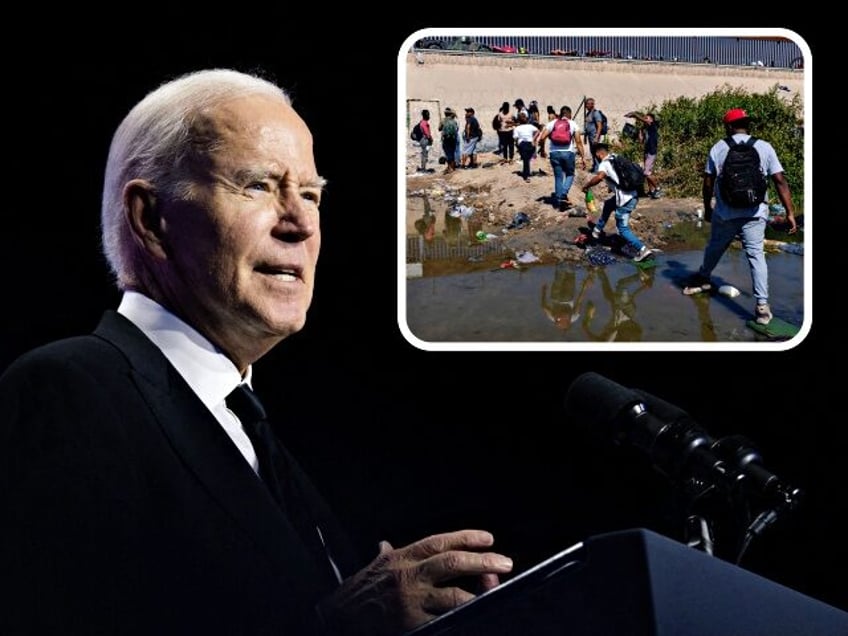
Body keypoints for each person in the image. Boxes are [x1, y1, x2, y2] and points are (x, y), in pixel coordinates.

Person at [0, 69, 513, 636]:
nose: (299, 224)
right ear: (151, 219)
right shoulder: (69, 391)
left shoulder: (254, 432)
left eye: (311, 194)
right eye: (259, 186)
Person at [682, 108, 797, 325]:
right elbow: (780, 180)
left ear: (728, 126)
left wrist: (707, 207)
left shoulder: (719, 147)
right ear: (747, 124)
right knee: (756, 256)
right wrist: (790, 212)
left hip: (726, 212)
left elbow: (708, 182)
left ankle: (704, 278)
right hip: (755, 212)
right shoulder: (764, 147)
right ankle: (762, 307)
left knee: (715, 247)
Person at [583, 143, 654, 262]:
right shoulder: (615, 157)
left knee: (622, 229)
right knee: (608, 204)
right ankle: (596, 232)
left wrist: (587, 185)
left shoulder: (604, 164)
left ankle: (643, 250)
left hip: (625, 200)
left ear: (598, 154)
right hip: (631, 194)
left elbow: (599, 177)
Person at [536, 105, 587, 211]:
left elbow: (542, 137)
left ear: (560, 113)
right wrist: (583, 157)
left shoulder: (552, 123)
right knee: (570, 174)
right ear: (569, 114)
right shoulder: (573, 124)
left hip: (554, 153)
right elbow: (578, 142)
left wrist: (542, 150)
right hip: (568, 153)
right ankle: (563, 194)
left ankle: (559, 202)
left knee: (558, 177)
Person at [626, 111, 662, 198]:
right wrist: (640, 131)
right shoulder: (646, 129)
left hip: (651, 153)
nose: (645, 120)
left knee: (646, 173)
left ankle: (658, 188)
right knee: (648, 172)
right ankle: (651, 191)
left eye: (647, 118)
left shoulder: (653, 126)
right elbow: (641, 141)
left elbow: (646, 121)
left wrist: (635, 115)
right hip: (646, 152)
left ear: (652, 120)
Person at [513, 111, 539, 183]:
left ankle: (526, 175)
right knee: (527, 160)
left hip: (522, 144)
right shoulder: (530, 126)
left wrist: (517, 145)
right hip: (530, 144)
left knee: (525, 160)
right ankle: (527, 173)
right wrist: (534, 139)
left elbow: (515, 138)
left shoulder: (517, 128)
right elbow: (538, 131)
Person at [583, 97, 604, 172]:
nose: (586, 106)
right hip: (590, 136)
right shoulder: (588, 113)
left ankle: (598, 169)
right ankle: (595, 167)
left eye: (587, 104)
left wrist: (596, 137)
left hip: (594, 136)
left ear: (591, 105)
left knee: (596, 152)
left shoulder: (596, 113)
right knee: (592, 152)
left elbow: (599, 125)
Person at [439, 106, 460, 174]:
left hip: (446, 139)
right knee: (452, 152)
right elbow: (457, 129)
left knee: (448, 153)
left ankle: (450, 168)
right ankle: (452, 167)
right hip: (453, 139)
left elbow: (439, 128)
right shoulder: (454, 121)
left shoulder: (443, 120)